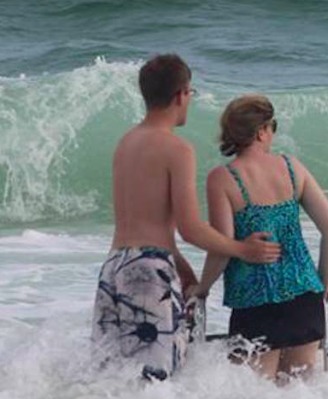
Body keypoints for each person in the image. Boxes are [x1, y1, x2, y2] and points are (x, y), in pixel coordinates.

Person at [91, 54, 281, 381]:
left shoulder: (126, 143)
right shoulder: (177, 149)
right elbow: (190, 228)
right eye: (190, 93)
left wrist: (179, 262)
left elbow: (143, 221)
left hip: (114, 267)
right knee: (157, 383)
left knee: (111, 381)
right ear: (181, 94)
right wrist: (242, 249)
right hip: (150, 274)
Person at [189, 94, 328, 384]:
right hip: (305, 300)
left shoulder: (223, 178)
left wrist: (202, 288)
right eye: (273, 126)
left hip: (256, 305)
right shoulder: (292, 167)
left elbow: (222, 248)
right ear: (261, 131)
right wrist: (322, 281)